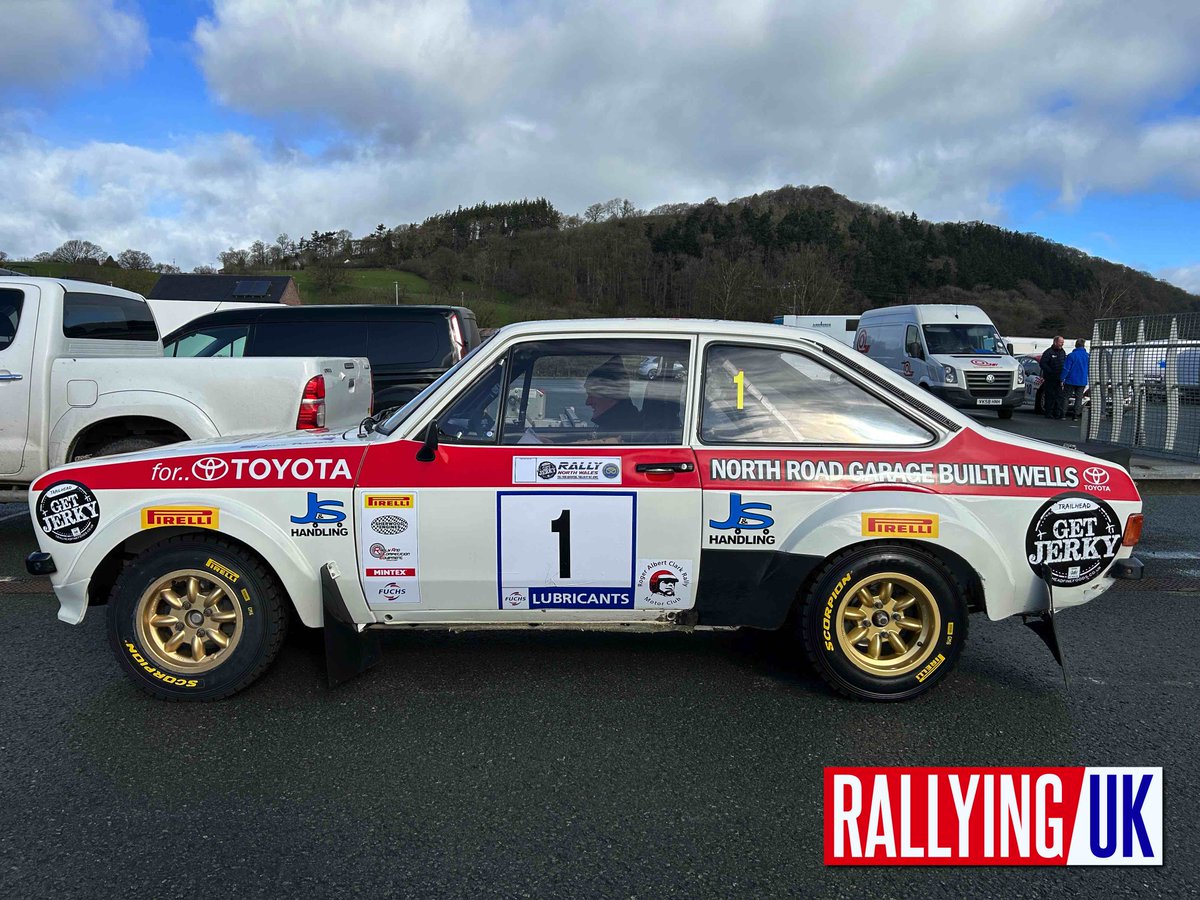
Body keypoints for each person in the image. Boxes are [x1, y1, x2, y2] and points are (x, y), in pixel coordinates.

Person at [584, 356, 643, 437]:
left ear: (611, 395)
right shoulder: (624, 424)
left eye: (591, 395)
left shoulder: (621, 434)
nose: (587, 402)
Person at [1061, 338, 1090, 421]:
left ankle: (1063, 414)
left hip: (1070, 379)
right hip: (1082, 380)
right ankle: (1075, 415)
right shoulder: (1087, 356)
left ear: (1076, 345)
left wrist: (1062, 378)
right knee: (1079, 398)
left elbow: (1066, 368)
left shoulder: (1071, 355)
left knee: (1066, 397)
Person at [1040, 335, 1067, 419]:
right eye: (1060, 342)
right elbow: (1042, 364)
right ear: (1055, 342)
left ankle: (1057, 413)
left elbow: (1064, 363)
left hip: (1059, 379)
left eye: (1063, 342)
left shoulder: (1062, 352)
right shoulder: (1048, 352)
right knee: (1050, 396)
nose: (1062, 344)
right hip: (1050, 378)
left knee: (1059, 396)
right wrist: (1050, 371)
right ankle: (1048, 413)